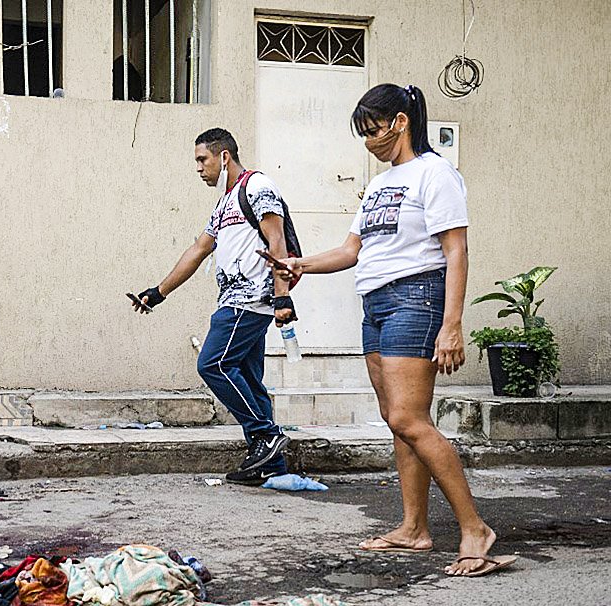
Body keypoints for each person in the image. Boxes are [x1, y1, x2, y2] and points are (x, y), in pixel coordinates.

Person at [271, 84, 514, 578]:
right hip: (376, 301)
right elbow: (351, 251)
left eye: (374, 130)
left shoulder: (436, 173)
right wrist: (300, 264)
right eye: (362, 135)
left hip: (416, 297)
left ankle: (474, 528)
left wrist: (452, 325)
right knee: (395, 418)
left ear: (401, 122)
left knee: (409, 418)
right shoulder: (381, 184)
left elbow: (455, 251)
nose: (368, 142)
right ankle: (413, 528)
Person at [131, 128, 296, 484]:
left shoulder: (258, 187)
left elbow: (277, 238)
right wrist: (159, 292)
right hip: (237, 300)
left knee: (213, 363)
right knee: (250, 381)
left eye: (202, 159)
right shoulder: (224, 204)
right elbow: (198, 250)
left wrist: (282, 296)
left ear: (224, 157)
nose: (198, 168)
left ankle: (265, 435)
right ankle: (270, 465)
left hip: (249, 300)